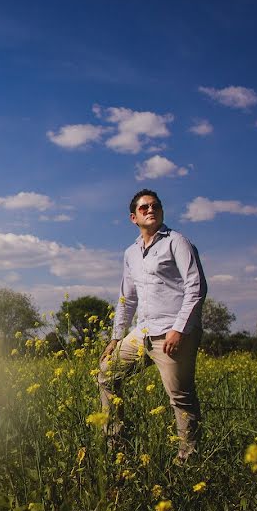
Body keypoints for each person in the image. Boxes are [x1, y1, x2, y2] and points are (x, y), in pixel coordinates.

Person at [98, 189, 207, 461]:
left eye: (155, 206)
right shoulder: (131, 253)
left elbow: (196, 286)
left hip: (172, 333)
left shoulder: (177, 242)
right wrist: (116, 337)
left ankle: (188, 460)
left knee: (181, 399)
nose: (151, 209)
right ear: (133, 217)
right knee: (106, 373)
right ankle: (116, 445)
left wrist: (179, 329)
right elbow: (127, 297)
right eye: (144, 207)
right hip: (142, 332)